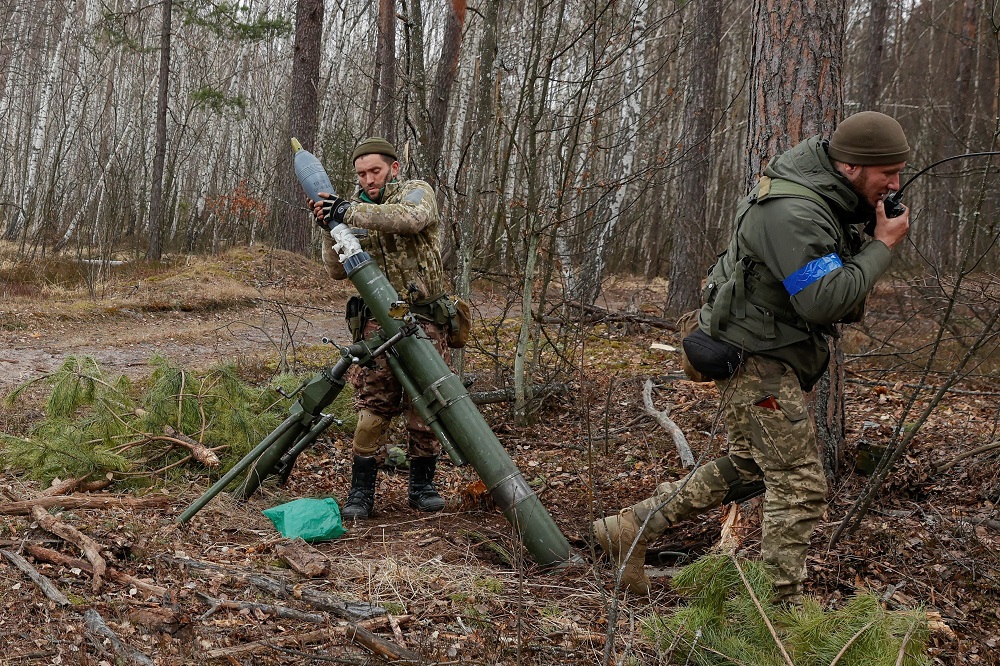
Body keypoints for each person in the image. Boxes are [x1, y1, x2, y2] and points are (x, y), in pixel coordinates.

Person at [592, 111, 912, 604]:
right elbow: (823, 299)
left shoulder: (826, 197)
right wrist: (882, 246)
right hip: (756, 356)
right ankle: (777, 611)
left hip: (765, 347)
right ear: (850, 166)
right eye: (886, 173)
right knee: (799, 483)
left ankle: (627, 529)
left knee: (750, 466)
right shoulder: (793, 211)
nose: (895, 182)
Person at [309, 136, 452, 520]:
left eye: (375, 171)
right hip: (378, 324)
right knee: (373, 406)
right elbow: (337, 271)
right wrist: (329, 226)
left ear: (394, 168)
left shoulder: (416, 192)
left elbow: (411, 219)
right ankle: (361, 491)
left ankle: (422, 486)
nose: (369, 179)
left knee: (425, 406)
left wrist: (347, 211)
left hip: (425, 319)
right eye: (361, 174)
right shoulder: (353, 207)